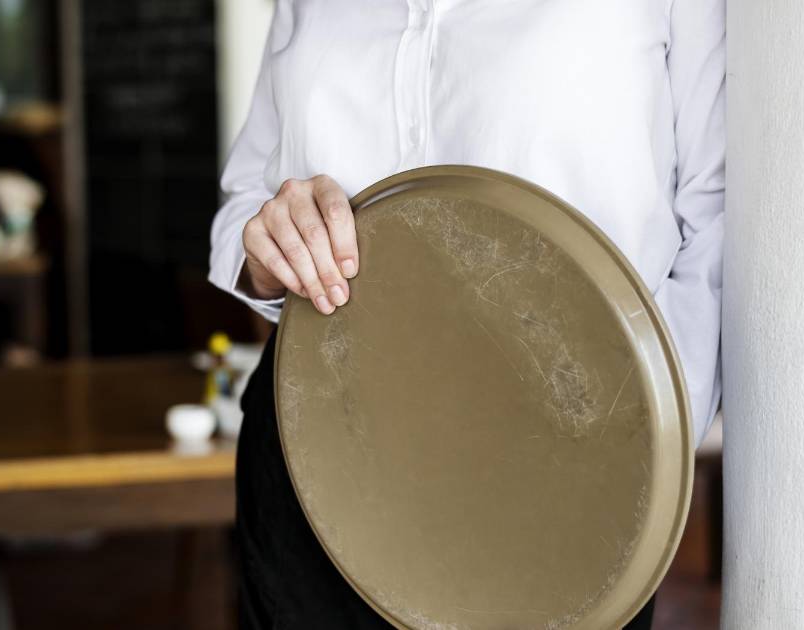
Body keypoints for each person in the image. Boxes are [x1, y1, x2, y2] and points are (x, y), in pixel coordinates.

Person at [210, 2, 724, 628]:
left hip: (563, 487)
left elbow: (717, 222)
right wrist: (268, 254)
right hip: (313, 454)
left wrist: (646, 452)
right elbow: (245, 199)